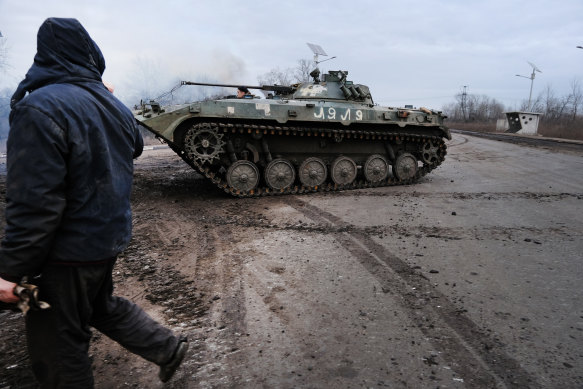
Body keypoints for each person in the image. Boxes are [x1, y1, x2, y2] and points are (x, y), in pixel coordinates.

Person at [0, 18, 188, 387]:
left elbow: (35, 203)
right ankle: (165, 347)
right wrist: (105, 96)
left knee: (58, 345)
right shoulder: (110, 103)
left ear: (45, 57)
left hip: (65, 251)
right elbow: (134, 145)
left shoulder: (38, 108)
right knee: (100, 306)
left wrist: (9, 270)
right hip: (105, 240)